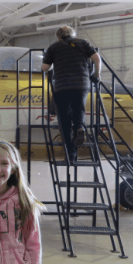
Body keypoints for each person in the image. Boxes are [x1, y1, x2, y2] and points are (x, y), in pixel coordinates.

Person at [41, 25, 102, 163]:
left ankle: (70, 157)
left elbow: (45, 68)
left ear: (58, 35)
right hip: (81, 84)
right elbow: (97, 58)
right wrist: (96, 74)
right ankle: (80, 127)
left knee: (65, 123)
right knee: (78, 110)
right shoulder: (83, 43)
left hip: (62, 86)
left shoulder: (54, 47)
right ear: (72, 34)